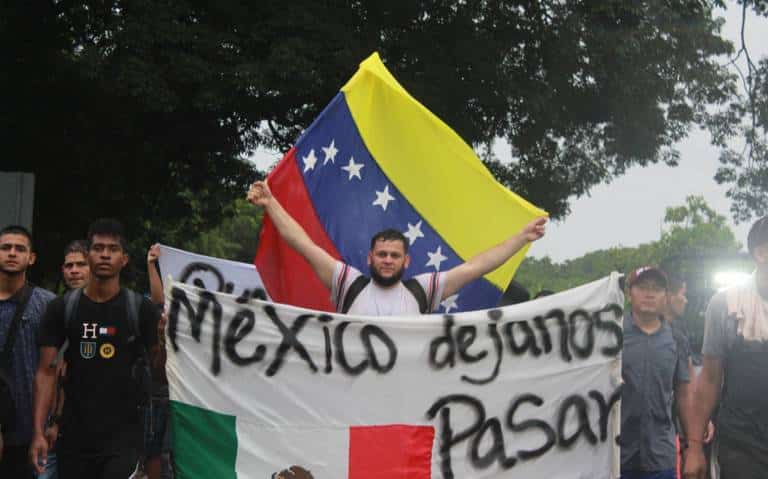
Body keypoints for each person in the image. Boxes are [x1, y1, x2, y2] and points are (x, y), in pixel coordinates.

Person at [246, 180, 546, 315]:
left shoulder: (423, 290)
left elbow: (476, 267)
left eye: (394, 256)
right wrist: (271, 203)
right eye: (382, 255)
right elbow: (302, 243)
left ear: (406, 261)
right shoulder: (347, 282)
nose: (387, 260)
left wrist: (521, 238)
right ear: (370, 258)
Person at [30, 218, 161, 478]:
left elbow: (160, 372)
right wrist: (38, 432)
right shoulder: (61, 308)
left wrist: (163, 340)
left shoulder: (141, 310)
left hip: (124, 438)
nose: (104, 255)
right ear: (88, 255)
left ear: (124, 259)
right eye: (98, 248)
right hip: (74, 437)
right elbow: (45, 372)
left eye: (112, 249)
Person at [683, 216, 768, 479]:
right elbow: (709, 380)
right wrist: (694, 448)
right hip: (743, 446)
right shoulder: (726, 304)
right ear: (761, 254)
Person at [620, 266, 692, 479]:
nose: (649, 293)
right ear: (629, 293)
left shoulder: (677, 339)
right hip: (615, 456)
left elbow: (684, 395)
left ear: (666, 296)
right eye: (642, 287)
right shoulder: (611, 334)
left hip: (661, 457)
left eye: (656, 288)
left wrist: (691, 446)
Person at [0, 225, 55, 478]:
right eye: (5, 247)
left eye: (19, 249)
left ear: (31, 258)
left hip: (26, 430)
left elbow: (54, 369)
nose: (12, 253)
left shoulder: (46, 304)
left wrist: (46, 427)